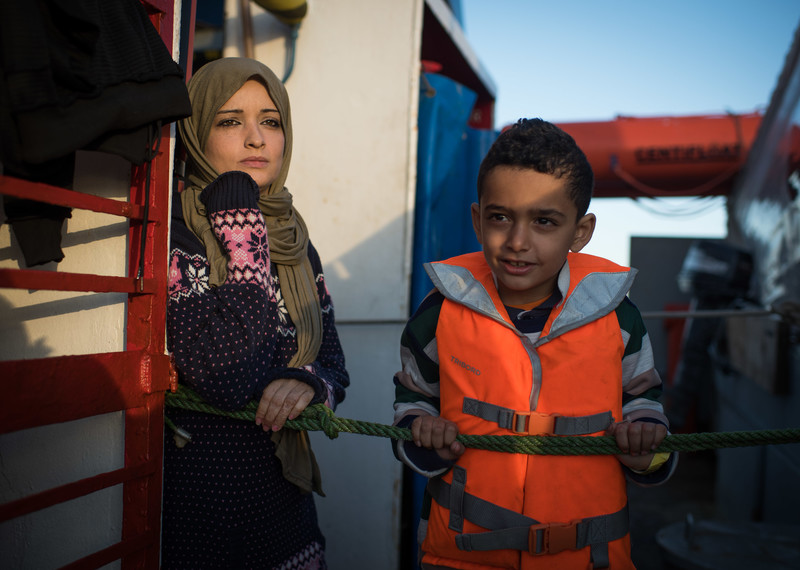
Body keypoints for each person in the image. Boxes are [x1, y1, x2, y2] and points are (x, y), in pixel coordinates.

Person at [392, 118, 676, 569]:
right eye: (500, 217)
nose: (517, 242)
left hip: (588, 558)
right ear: (476, 218)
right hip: (460, 558)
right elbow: (413, 402)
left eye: (544, 221)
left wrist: (646, 447)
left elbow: (648, 407)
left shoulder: (619, 318)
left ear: (580, 232)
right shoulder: (438, 312)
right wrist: (425, 435)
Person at [162, 57, 349, 570]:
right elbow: (228, 376)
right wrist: (240, 233)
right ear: (196, 132)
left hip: (286, 521)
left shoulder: (293, 240)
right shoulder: (173, 236)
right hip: (201, 524)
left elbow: (333, 363)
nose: (255, 139)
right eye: (229, 121)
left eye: (270, 121)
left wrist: (307, 383)